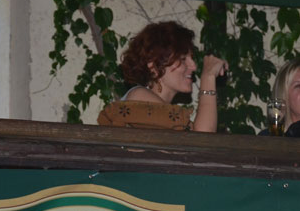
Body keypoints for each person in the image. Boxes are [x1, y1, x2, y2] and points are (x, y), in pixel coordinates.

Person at [97, 21, 227, 132]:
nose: (193, 66)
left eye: (191, 58)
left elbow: (201, 140)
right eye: (182, 59)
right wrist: (208, 77)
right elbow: (201, 139)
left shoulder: (170, 118)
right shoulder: (139, 96)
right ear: (153, 65)